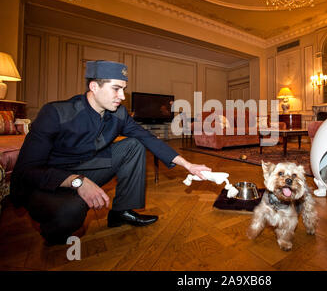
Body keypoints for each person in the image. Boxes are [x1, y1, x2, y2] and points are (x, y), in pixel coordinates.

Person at [10, 60, 210, 245]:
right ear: (94, 87)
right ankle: (52, 230)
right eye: (116, 89)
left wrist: (188, 165)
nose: (122, 97)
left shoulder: (118, 114)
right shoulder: (56, 113)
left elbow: (147, 137)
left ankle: (121, 212)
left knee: (134, 144)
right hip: (50, 180)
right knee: (72, 211)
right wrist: (77, 181)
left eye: (123, 89)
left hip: (88, 167)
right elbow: (27, 171)